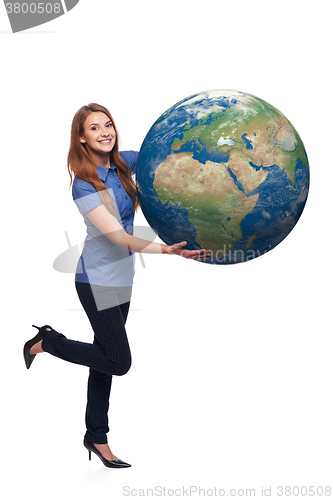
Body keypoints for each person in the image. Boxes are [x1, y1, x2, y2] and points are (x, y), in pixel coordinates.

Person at [23, 103, 209, 469]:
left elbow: (163, 156)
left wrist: (198, 147)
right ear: (81, 137)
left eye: (108, 125)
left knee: (103, 362)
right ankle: (47, 342)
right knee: (118, 362)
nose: (105, 132)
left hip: (124, 279)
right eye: (95, 128)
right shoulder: (83, 186)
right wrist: (168, 250)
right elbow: (120, 238)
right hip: (96, 281)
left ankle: (97, 436)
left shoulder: (124, 161)